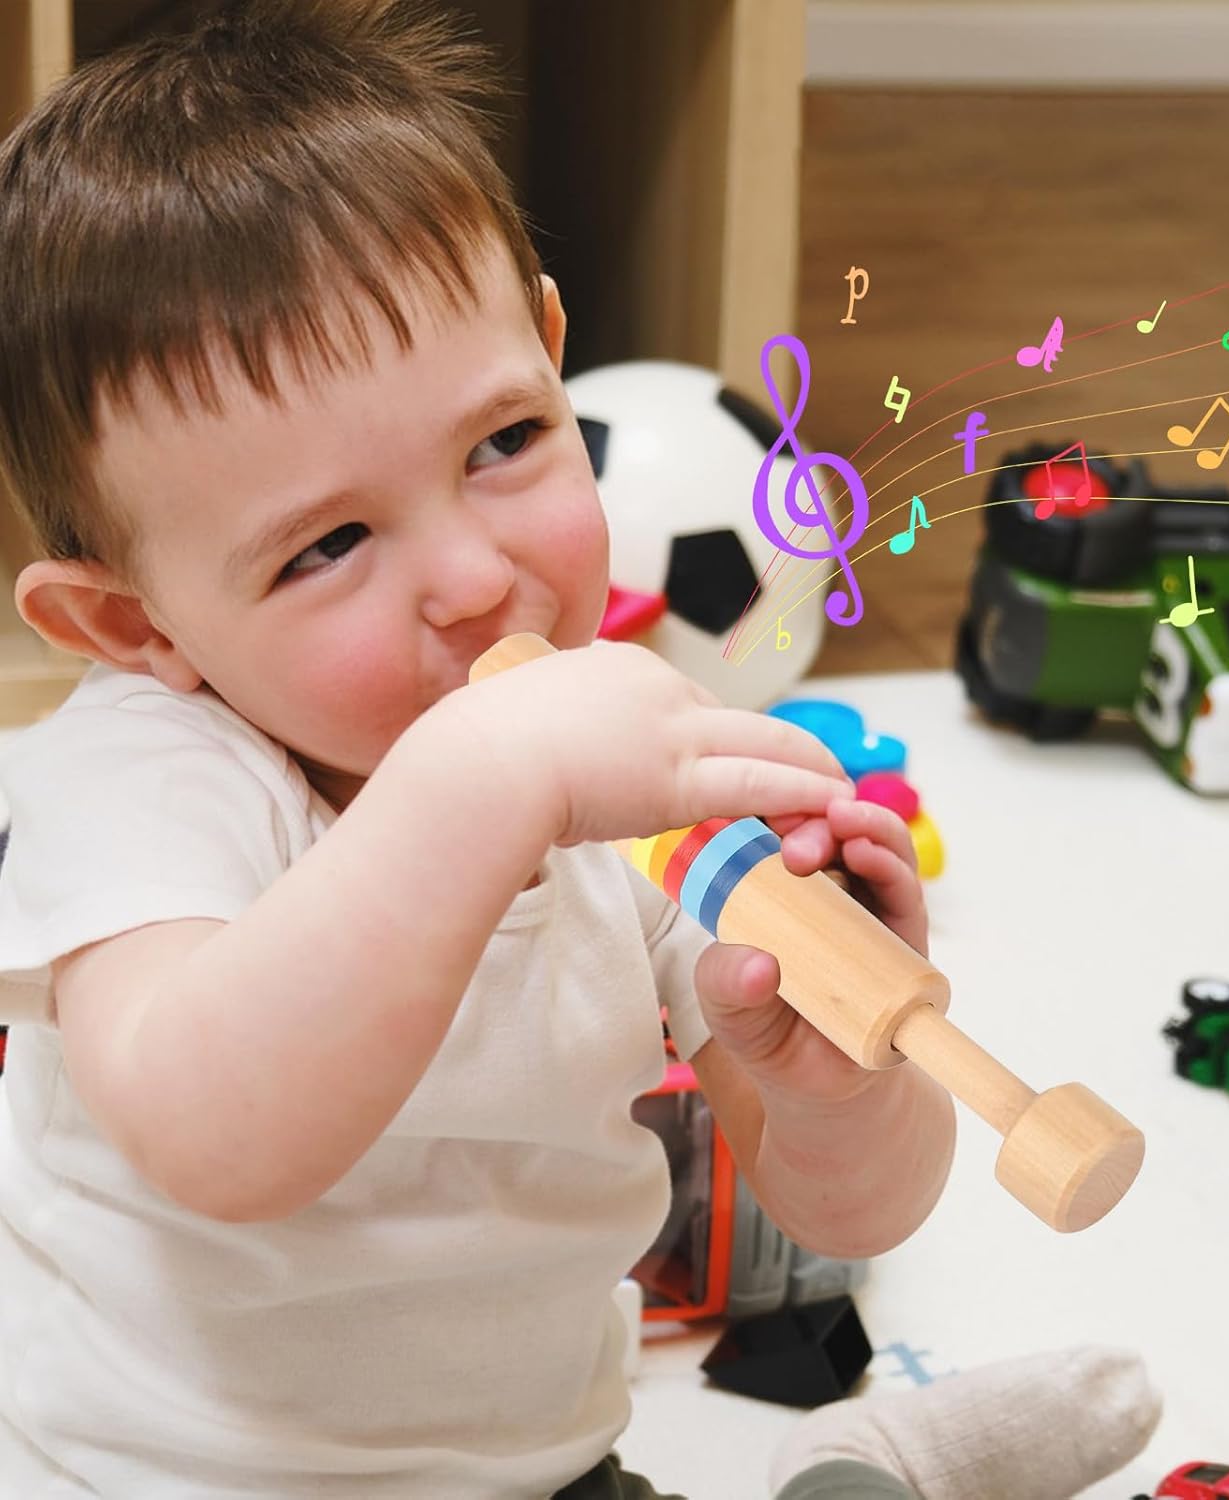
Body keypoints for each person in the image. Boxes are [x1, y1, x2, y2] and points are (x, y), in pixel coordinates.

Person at [0, 2, 1159, 1494]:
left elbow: (851, 1211)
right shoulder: (137, 784)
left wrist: (836, 1082)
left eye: (503, 444)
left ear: (555, 359)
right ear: (130, 623)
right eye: (328, 545)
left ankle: (862, 1464)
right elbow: (217, 1139)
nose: (474, 576)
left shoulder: (625, 767)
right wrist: (490, 785)